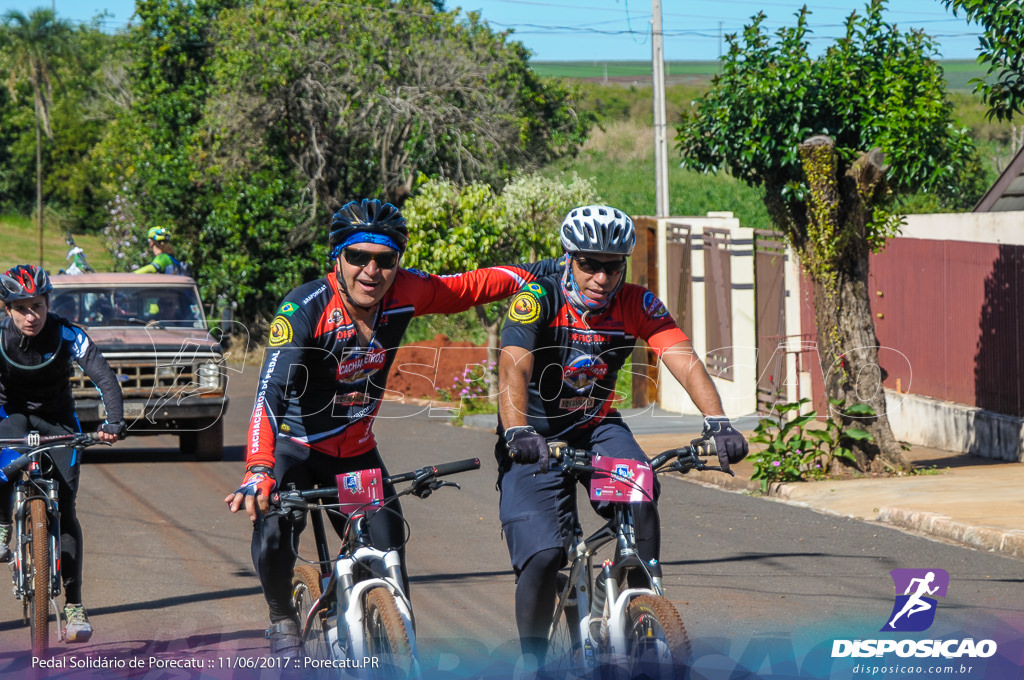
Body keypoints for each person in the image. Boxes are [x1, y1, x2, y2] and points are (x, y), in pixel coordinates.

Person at [224, 198, 562, 658]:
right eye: (357, 257)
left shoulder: (407, 291)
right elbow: (270, 393)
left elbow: (469, 287)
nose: (371, 271)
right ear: (336, 258)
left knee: (390, 560)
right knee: (275, 528)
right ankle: (282, 612)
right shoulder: (302, 310)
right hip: (296, 449)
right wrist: (259, 468)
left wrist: (556, 266)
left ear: (397, 263)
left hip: (356, 454)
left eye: (384, 260)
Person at [495, 205, 750, 665]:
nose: (601, 277)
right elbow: (514, 366)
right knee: (545, 554)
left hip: (596, 426)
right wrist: (516, 428)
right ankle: (531, 661)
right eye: (589, 264)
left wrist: (718, 422)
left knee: (641, 493)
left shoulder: (637, 302)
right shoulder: (537, 298)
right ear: (569, 258)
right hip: (535, 436)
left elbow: (683, 359)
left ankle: (638, 612)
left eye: (612, 267)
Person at [0, 265, 125, 642]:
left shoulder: (67, 333)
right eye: (21, 308)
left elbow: (103, 376)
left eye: (36, 306)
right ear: (7, 310)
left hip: (58, 420)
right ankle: (3, 523)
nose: (30, 316)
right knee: (3, 468)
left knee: (66, 508)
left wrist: (113, 422)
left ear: (47, 303)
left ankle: (74, 605)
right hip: (11, 415)